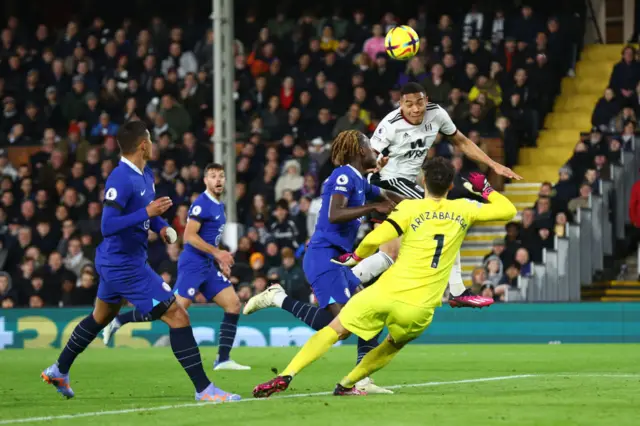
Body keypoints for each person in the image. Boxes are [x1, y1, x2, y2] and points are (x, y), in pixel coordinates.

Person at [252, 160, 517, 397]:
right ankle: (348, 383)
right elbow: (507, 211)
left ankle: (287, 374)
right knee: (392, 344)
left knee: (335, 328)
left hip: (385, 293)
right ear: (450, 184)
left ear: (422, 181)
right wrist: (485, 189)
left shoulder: (411, 208)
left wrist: (355, 257)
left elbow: (375, 239)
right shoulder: (464, 209)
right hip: (420, 306)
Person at [40, 121, 239, 402]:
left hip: (122, 261)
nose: (154, 144)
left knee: (101, 316)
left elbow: (147, 210)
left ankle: (59, 369)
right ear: (143, 145)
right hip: (124, 265)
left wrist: (160, 226)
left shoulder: (145, 174)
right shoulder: (120, 178)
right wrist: (147, 212)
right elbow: (108, 225)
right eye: (151, 139)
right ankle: (205, 390)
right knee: (178, 316)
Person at [243, 130, 403, 394]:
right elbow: (335, 213)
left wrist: (421, 207)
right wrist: (372, 209)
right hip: (323, 256)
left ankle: (362, 379)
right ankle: (278, 298)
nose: (374, 151)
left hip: (339, 261)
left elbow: (388, 199)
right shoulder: (343, 175)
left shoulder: (361, 181)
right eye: (370, 146)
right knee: (346, 324)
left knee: (368, 315)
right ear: (359, 150)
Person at [352, 82, 520, 308]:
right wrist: (375, 163)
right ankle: (458, 290)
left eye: (420, 102)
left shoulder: (437, 114)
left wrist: (493, 164)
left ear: (427, 99)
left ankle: (344, 280)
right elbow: (365, 161)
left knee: (389, 254)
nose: (415, 109)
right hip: (385, 183)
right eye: (408, 104)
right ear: (400, 104)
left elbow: (460, 140)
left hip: (404, 185)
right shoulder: (390, 125)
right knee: (445, 214)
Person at [102, 163, 250, 371]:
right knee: (172, 309)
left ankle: (223, 359)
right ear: (205, 180)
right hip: (192, 264)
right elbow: (189, 237)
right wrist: (217, 253)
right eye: (213, 176)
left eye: (221, 176)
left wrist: (218, 259)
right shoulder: (202, 204)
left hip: (207, 264)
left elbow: (209, 238)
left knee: (233, 304)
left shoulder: (218, 205)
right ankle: (120, 320)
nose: (218, 180)